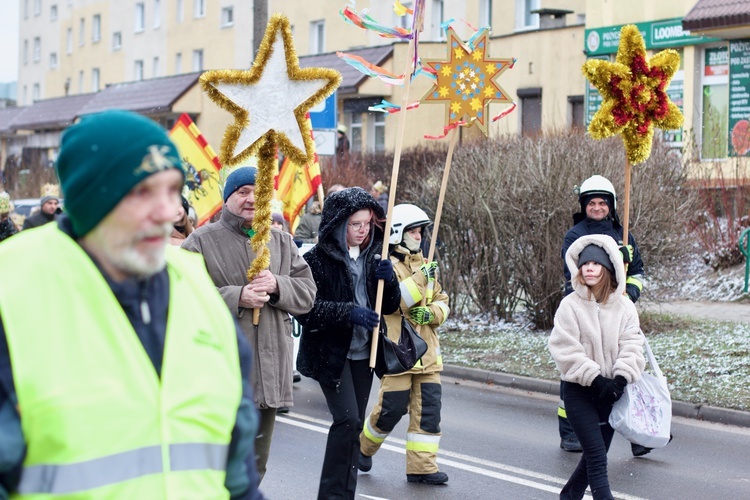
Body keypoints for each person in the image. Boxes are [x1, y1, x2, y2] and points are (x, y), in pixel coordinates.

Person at [0, 109, 262, 498]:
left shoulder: (193, 281)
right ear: (91, 198)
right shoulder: (13, 285)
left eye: (173, 190)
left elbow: (237, 464)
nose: (166, 212)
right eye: (142, 192)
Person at [182, 166, 316, 483]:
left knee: (255, 469)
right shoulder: (200, 241)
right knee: (214, 467)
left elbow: (308, 294)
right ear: (228, 197)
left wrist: (278, 285)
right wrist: (236, 297)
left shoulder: (282, 241)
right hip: (219, 374)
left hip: (270, 373)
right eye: (243, 192)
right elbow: (180, 299)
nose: (252, 199)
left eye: (259, 192)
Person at [295, 187, 401, 500]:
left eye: (368, 224)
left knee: (353, 428)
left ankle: (345, 494)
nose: (363, 231)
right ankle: (331, 496)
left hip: (364, 354)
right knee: (347, 420)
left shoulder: (374, 258)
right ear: (339, 224)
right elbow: (307, 311)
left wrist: (390, 279)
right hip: (331, 356)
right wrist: (349, 313)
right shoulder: (315, 260)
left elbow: (390, 306)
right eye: (356, 224)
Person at [358, 204, 451, 485]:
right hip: (399, 352)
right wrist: (423, 277)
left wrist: (432, 314)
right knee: (391, 409)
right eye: (414, 231)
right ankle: (361, 449)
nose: (419, 236)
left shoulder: (427, 263)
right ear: (398, 233)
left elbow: (443, 302)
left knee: (428, 414)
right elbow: (396, 301)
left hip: (428, 354)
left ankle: (422, 468)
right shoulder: (386, 266)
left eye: (421, 230)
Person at [549, 234, 645, 500]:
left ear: (609, 267)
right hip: (580, 391)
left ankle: (569, 496)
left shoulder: (624, 306)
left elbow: (633, 343)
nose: (588, 268)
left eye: (595, 263)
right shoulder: (570, 306)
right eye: (584, 263)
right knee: (597, 459)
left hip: (612, 393)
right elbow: (564, 348)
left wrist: (621, 379)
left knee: (595, 456)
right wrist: (595, 379)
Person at [558, 174, 647, 455]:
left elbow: (637, 273)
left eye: (602, 203)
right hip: (585, 312)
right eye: (592, 203)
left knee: (628, 369)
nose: (597, 208)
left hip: (619, 314)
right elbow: (571, 272)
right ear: (584, 205)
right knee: (577, 370)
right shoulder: (575, 235)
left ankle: (638, 434)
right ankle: (570, 433)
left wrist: (628, 294)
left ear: (611, 205)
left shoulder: (624, 235)